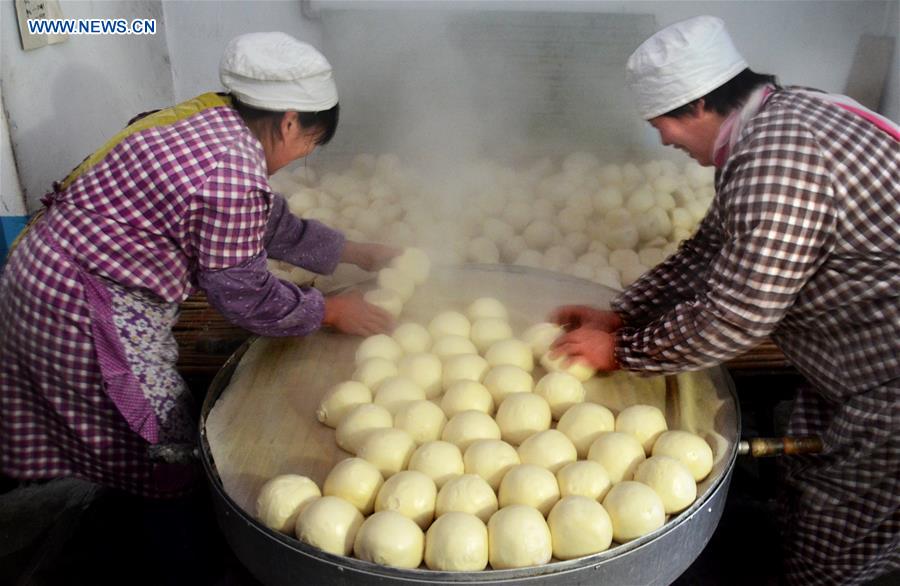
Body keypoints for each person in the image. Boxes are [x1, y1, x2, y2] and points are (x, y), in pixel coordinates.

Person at [550, 15, 898, 585]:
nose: (663, 139)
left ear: (698, 104)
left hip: (888, 376)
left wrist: (621, 352)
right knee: (817, 486)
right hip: (856, 359)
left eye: (662, 122)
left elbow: (738, 315)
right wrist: (624, 310)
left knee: (839, 534)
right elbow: (713, 246)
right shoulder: (775, 123)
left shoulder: (778, 159)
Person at [0, 32, 397, 500]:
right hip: (78, 300)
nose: (304, 155)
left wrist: (351, 251)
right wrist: (330, 311)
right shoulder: (231, 173)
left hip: (51, 263)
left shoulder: (214, 117)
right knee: (163, 439)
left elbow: (263, 221)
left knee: (110, 425)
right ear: (290, 123)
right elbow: (244, 294)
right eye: (311, 142)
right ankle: (168, 533)